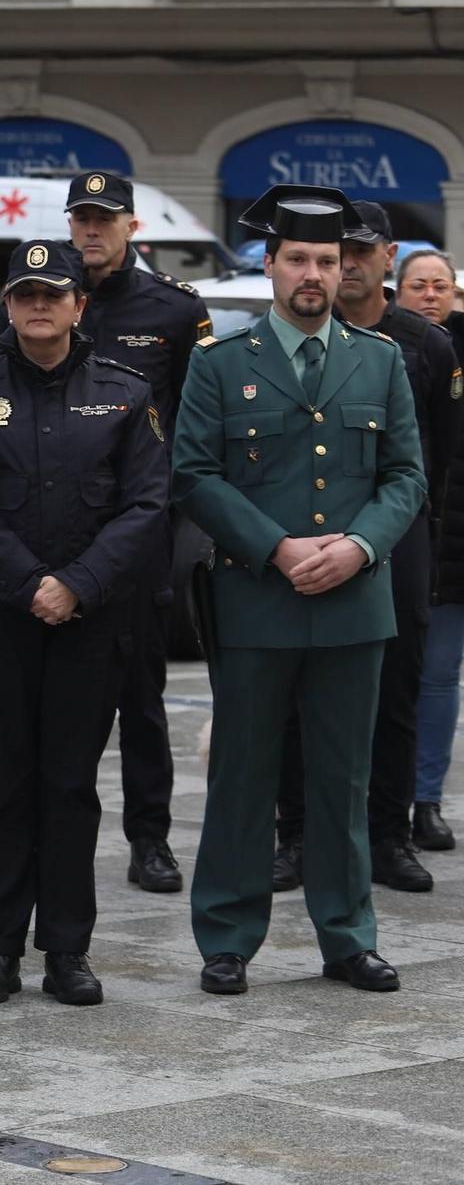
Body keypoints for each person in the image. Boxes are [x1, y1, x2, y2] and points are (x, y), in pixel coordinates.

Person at [173, 184, 425, 997]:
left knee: (342, 779)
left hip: (355, 604)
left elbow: (407, 477)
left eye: (329, 260)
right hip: (258, 599)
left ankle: (348, 937)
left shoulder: (380, 360)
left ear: (348, 267)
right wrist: (275, 547)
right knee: (243, 775)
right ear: (271, 267)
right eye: (299, 259)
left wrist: (357, 546)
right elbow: (193, 475)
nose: (314, 274)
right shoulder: (220, 363)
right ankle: (228, 935)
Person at [0, 240, 169, 1006]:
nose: (38, 305)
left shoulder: (126, 393)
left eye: (52, 293)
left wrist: (78, 585)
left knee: (69, 786)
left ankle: (67, 948)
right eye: (25, 293)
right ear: (8, 303)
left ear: (78, 305)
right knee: (4, 784)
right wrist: (31, 584)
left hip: (90, 622)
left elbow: (148, 504)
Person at [0, 172, 210, 895]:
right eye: (81, 218)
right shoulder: (33, 298)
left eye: (104, 219)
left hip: (136, 542)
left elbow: (192, 421)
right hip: (44, 539)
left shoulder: (174, 310)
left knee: (142, 699)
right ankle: (36, 834)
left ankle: (149, 837)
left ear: (131, 226)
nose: (91, 231)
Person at [272, 203, 458, 896]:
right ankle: (295, 834)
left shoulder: (427, 345)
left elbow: (437, 457)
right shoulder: (305, 335)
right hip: (311, 532)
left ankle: (388, 834)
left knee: (399, 690)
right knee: (296, 690)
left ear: (389, 256)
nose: (345, 262)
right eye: (332, 250)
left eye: (358, 249)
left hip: (399, 535)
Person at [408, 249, 464, 855]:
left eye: (440, 285)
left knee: (439, 678)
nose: (430, 294)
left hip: (453, 549)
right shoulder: (382, 349)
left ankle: (426, 801)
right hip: (395, 543)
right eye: (419, 285)